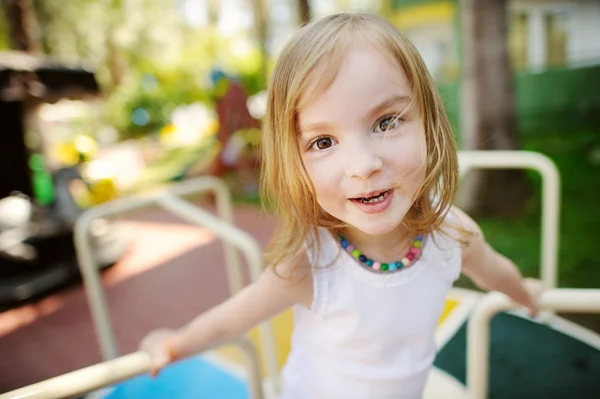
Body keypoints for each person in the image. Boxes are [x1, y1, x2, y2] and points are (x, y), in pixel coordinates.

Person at [139, 12, 543, 399]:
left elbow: (494, 270)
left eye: (386, 122)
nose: (364, 166)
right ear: (295, 163)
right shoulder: (310, 264)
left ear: (428, 122)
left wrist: (524, 292)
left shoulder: (453, 233)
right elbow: (233, 318)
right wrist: (176, 343)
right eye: (323, 142)